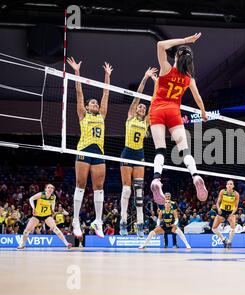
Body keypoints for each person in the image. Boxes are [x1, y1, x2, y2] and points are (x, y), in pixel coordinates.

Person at [149, 33, 208, 205]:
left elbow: (160, 45)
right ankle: (195, 175)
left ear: (176, 56)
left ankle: (156, 179)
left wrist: (184, 40)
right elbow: (197, 99)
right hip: (174, 112)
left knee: (160, 150)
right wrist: (203, 112)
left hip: (158, 110)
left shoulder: (166, 69)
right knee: (184, 150)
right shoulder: (188, 79)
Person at [67, 57, 113, 238]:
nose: (95, 104)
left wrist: (107, 76)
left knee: (99, 186)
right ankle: (76, 220)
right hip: (84, 150)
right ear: (87, 106)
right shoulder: (83, 115)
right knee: (80, 184)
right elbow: (79, 93)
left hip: (98, 153)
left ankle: (98, 221)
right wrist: (77, 73)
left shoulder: (102, 115)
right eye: (92, 103)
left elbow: (106, 94)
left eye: (96, 103)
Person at [119, 67, 158, 237]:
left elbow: (155, 101)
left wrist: (156, 83)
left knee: (140, 192)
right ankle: (123, 223)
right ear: (136, 110)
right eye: (140, 107)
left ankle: (140, 225)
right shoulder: (130, 116)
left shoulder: (147, 121)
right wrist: (145, 77)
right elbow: (137, 96)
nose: (142, 108)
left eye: (143, 107)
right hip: (127, 154)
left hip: (139, 155)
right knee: (127, 191)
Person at [17, 184, 72, 249]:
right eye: (48, 187)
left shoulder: (53, 197)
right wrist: (34, 208)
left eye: (52, 188)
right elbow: (31, 199)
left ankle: (67, 243)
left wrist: (52, 209)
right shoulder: (41, 194)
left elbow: (53, 202)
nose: (50, 189)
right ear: (45, 189)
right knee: (27, 230)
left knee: (55, 229)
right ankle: (22, 244)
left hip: (47, 215)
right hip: (37, 215)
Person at [211, 180, 240, 248]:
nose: (229, 185)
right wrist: (218, 209)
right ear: (226, 185)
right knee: (214, 228)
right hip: (222, 211)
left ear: (233, 186)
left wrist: (231, 214)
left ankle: (229, 242)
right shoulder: (222, 192)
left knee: (233, 228)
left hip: (231, 211)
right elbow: (217, 203)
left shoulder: (236, 194)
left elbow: (236, 207)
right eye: (228, 184)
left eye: (231, 184)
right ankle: (223, 239)